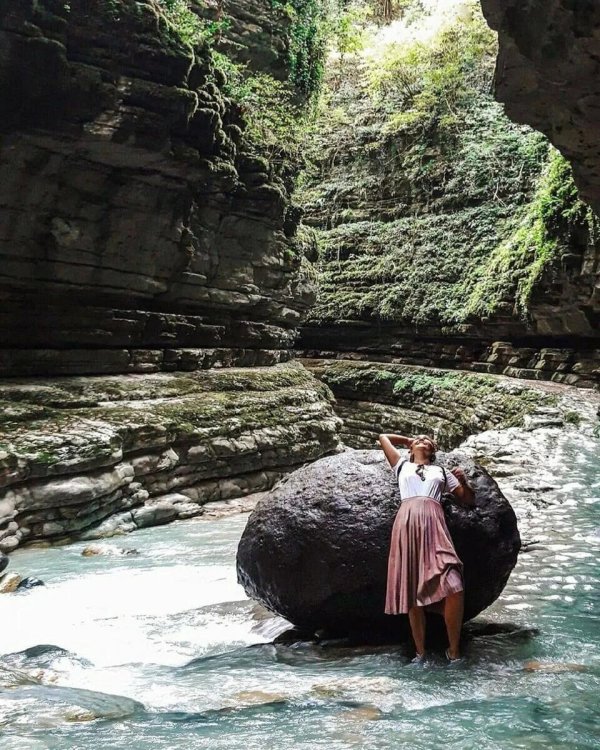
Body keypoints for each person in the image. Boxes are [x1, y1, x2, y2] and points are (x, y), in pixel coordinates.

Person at [379, 433, 474, 663]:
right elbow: (383, 437)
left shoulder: (442, 471)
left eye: (428, 440)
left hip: (435, 524)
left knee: (455, 586)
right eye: (419, 439)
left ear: (433, 450)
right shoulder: (401, 465)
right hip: (407, 523)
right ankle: (420, 653)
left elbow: (468, 500)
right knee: (412, 590)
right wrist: (408, 440)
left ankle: (454, 651)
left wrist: (463, 482)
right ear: (411, 448)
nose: (423, 440)